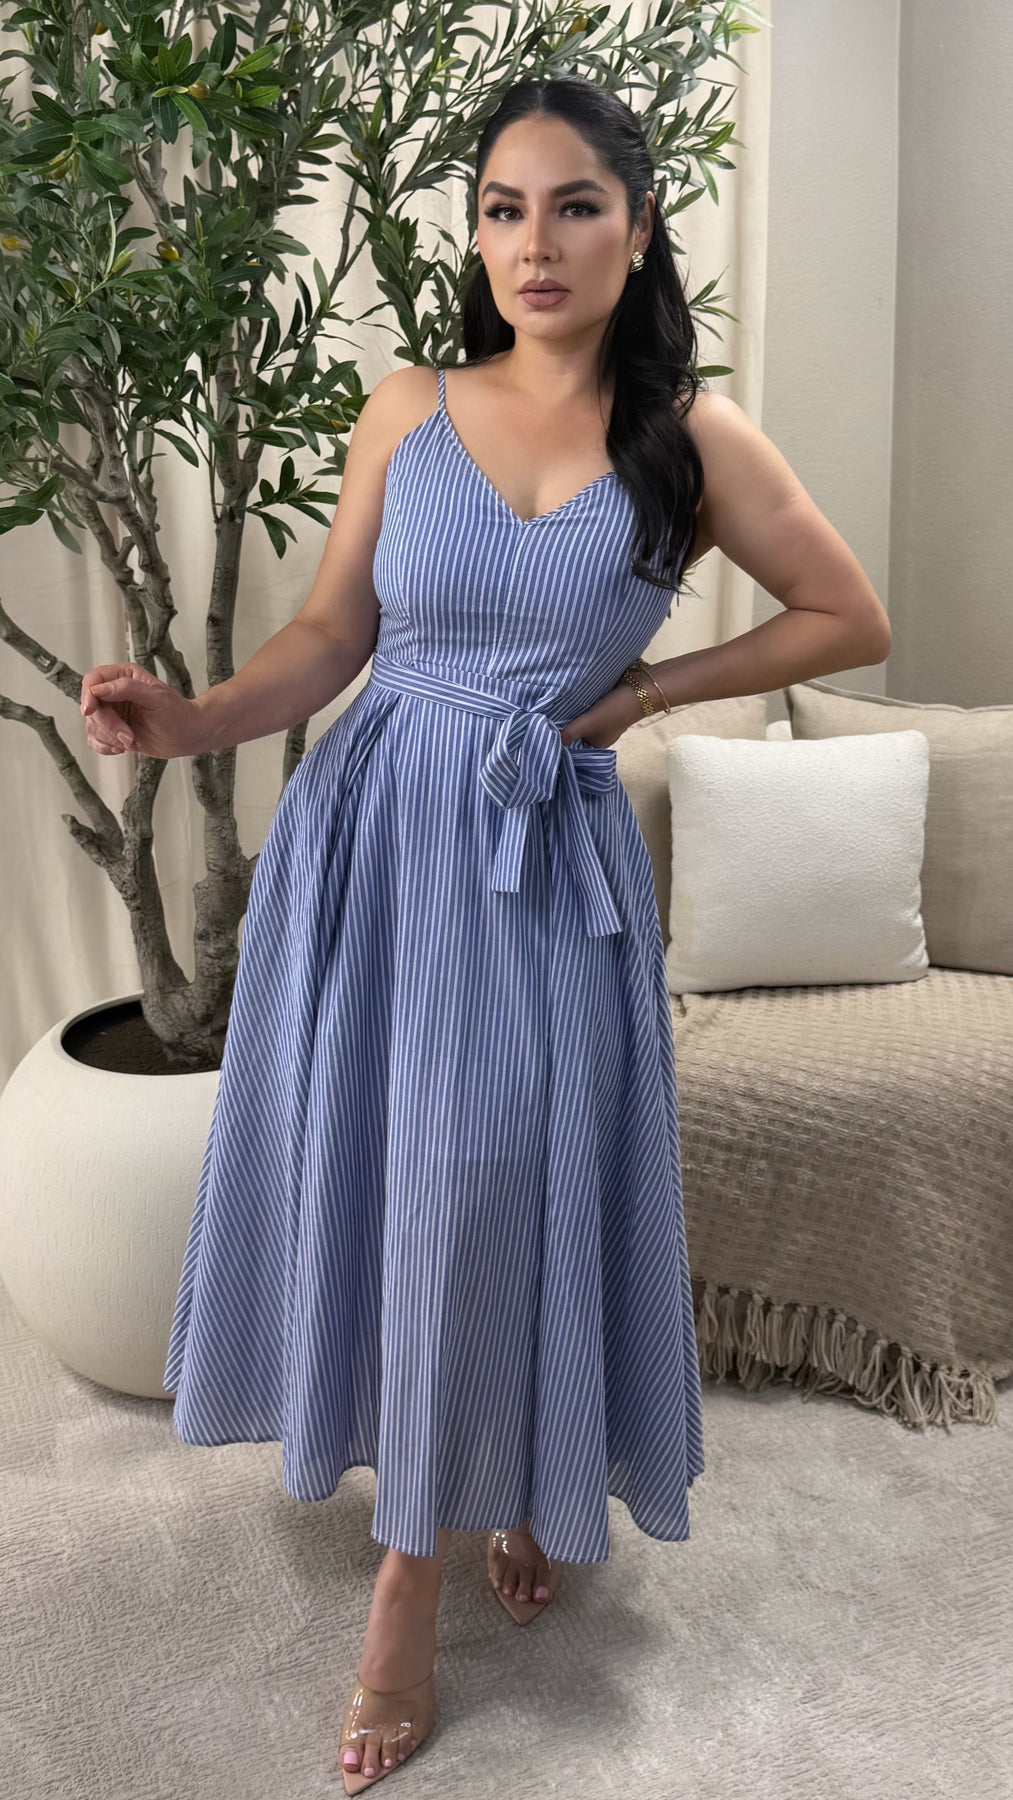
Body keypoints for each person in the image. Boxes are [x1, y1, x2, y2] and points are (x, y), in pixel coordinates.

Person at [80, 75, 890, 1795]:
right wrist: (187, 721)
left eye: (575, 205)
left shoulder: (692, 439)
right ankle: (468, 1500)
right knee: (400, 1173)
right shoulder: (408, 410)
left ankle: (432, 1556)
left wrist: (645, 690)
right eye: (504, 210)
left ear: (638, 229)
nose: (537, 242)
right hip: (376, 836)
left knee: (498, 1176)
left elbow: (847, 613)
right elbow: (329, 638)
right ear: (473, 236)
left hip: (540, 853)